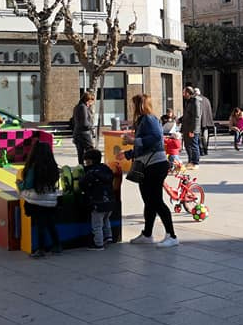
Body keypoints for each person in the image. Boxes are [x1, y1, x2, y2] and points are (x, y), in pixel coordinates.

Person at [118, 93, 178, 248]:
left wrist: (134, 140)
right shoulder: (142, 120)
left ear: (140, 105)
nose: (131, 107)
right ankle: (147, 233)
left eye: (133, 104)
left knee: (156, 201)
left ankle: (172, 235)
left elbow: (157, 138)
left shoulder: (149, 119)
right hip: (147, 165)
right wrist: (127, 153)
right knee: (149, 202)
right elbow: (144, 147)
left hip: (155, 165)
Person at [16, 140, 61, 258]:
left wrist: (19, 184)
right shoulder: (53, 166)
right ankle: (57, 245)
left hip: (37, 200)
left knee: (40, 225)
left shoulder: (34, 167)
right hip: (51, 199)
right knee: (51, 223)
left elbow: (28, 185)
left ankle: (41, 249)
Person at [81, 148, 114, 249]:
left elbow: (83, 184)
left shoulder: (90, 172)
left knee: (97, 225)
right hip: (110, 202)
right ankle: (108, 237)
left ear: (90, 161)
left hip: (97, 203)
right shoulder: (106, 169)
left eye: (86, 161)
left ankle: (98, 244)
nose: (85, 164)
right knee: (106, 220)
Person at [72, 91, 96, 166]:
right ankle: (92, 168)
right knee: (91, 152)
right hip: (84, 135)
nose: (91, 104)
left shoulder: (77, 107)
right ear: (88, 100)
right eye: (91, 102)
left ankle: (81, 170)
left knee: (80, 154)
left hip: (77, 134)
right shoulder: (83, 107)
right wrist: (92, 126)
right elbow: (85, 123)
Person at [180, 86, 201, 169]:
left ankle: (195, 163)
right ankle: (190, 161)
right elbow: (187, 114)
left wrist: (193, 130)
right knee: (187, 145)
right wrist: (180, 119)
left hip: (192, 129)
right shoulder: (188, 102)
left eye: (184, 92)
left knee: (193, 145)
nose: (183, 94)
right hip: (186, 127)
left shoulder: (195, 101)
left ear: (188, 93)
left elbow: (196, 116)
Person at [196, 88, 214, 156]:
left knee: (199, 137)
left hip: (199, 122)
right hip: (206, 122)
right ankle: (205, 150)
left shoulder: (195, 99)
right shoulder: (206, 99)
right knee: (205, 137)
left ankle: (201, 151)